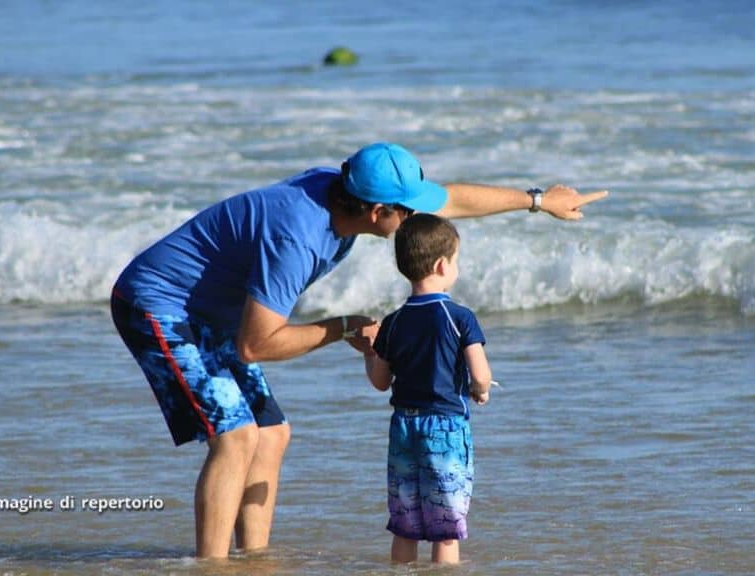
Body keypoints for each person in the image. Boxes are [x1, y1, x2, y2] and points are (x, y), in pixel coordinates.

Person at [110, 141, 607, 559]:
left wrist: (538, 201)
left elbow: (451, 198)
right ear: (377, 212)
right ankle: (213, 566)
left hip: (212, 310)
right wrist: (342, 327)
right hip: (157, 305)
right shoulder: (297, 237)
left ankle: (253, 560)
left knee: (273, 433)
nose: (417, 217)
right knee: (236, 437)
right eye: (407, 210)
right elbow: (256, 344)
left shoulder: (345, 190)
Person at [364, 213, 491, 564]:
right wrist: (479, 390)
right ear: (440, 265)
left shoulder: (394, 321)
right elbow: (480, 375)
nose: (457, 269)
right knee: (445, 529)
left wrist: (368, 353)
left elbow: (380, 382)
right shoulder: (459, 317)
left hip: (404, 427)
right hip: (444, 429)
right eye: (456, 261)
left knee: (406, 525)